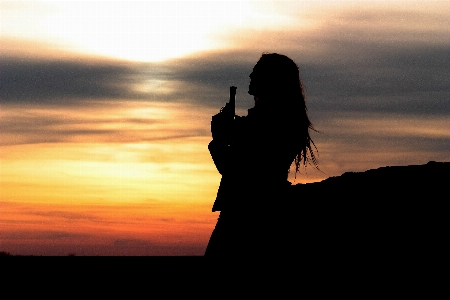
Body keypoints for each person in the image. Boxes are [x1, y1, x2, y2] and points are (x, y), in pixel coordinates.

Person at [205, 53, 318, 257]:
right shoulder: (279, 120)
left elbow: (236, 171)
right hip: (258, 210)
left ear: (271, 79)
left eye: (256, 71)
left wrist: (219, 140)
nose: (250, 75)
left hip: (249, 214)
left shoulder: (272, 122)